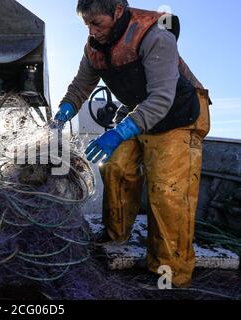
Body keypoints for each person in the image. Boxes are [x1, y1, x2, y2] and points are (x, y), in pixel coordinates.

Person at [53, 0, 211, 288]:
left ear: (117, 11)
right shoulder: (93, 49)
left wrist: (118, 132)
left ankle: (170, 277)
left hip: (178, 115)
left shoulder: (155, 35)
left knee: (167, 193)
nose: (92, 31)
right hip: (137, 110)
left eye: (96, 23)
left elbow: (162, 98)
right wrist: (64, 110)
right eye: (86, 24)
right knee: (115, 167)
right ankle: (116, 237)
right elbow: (79, 87)